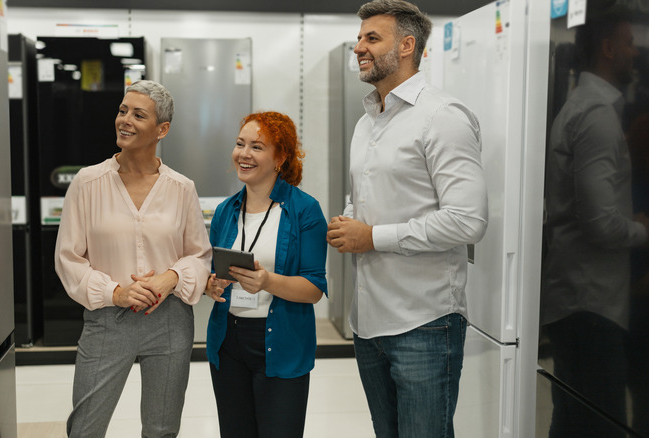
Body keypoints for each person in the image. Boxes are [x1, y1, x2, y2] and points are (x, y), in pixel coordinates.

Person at [326, 1, 488, 436]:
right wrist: (348, 221)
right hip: (369, 320)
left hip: (425, 322)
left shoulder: (442, 116)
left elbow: (468, 220)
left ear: (407, 46)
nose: (359, 47)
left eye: (371, 38)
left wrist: (372, 236)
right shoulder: (368, 120)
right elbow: (364, 194)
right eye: (359, 38)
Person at [54, 80, 212, 438]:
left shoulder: (181, 187)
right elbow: (68, 258)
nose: (125, 120)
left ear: (162, 129)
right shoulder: (88, 182)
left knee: (161, 429)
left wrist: (170, 277)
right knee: (86, 428)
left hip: (169, 320)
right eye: (123, 111)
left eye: (138, 115)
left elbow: (199, 255)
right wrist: (117, 293)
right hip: (108, 321)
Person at [541, 13, 649, 438]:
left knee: (571, 422)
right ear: (608, 49)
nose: (635, 50)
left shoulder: (584, 108)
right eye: (627, 42)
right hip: (590, 304)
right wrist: (647, 230)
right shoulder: (597, 116)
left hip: (578, 298)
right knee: (599, 426)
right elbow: (600, 224)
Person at [204, 111, 328, 437]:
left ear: (280, 157)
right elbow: (211, 267)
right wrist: (210, 285)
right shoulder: (225, 211)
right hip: (228, 341)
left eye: (257, 147)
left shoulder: (305, 210)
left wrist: (267, 281)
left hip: (281, 342)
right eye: (240, 144)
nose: (244, 154)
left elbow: (314, 287)